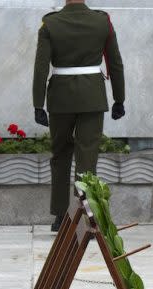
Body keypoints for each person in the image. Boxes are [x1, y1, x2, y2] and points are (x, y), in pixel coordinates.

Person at [33, 0, 125, 232]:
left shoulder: (50, 24)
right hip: (92, 97)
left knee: (60, 155)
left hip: (60, 98)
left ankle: (60, 216)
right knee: (87, 158)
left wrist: (38, 104)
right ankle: (85, 217)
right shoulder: (101, 21)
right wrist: (119, 98)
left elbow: (41, 66)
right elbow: (115, 62)